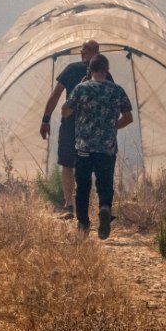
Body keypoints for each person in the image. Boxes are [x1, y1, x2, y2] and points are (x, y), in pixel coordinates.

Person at [61, 54, 133, 238]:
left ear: (90, 70)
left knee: (83, 185)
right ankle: (104, 208)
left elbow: (66, 110)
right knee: (105, 183)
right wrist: (112, 126)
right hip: (107, 147)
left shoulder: (81, 89)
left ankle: (83, 223)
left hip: (84, 146)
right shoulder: (117, 90)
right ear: (107, 70)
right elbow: (128, 118)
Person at [39, 39, 112, 217]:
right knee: (78, 164)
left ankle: (76, 206)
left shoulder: (82, 71)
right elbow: (56, 94)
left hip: (79, 126)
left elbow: (57, 95)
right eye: (82, 50)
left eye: (84, 50)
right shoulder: (88, 72)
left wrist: (46, 119)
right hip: (86, 128)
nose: (82, 53)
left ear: (91, 52)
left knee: (76, 165)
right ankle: (78, 206)